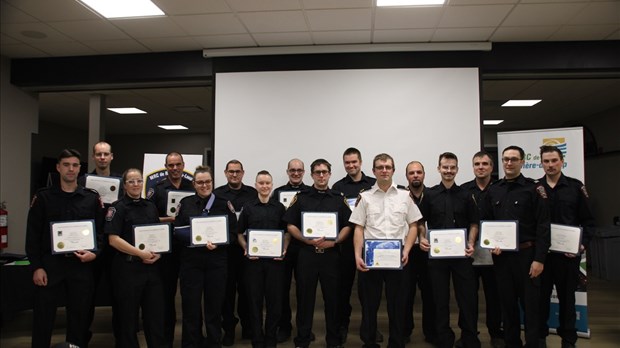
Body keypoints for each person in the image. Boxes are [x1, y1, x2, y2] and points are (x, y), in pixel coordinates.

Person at [26, 149, 104, 348]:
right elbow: (33, 235)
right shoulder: (43, 198)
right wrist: (36, 266)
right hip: (50, 266)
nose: (71, 169)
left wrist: (94, 253)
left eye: (75, 165)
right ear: (58, 167)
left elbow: (101, 233)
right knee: (43, 316)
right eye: (67, 165)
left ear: (80, 169)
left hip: (81, 265)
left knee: (79, 318)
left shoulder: (91, 198)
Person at [350, 153, 422, 348]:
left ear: (393, 170)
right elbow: (358, 228)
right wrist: (357, 255)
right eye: (380, 167)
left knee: (398, 306)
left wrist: (407, 250)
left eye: (387, 167)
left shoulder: (404, 195)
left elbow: (414, 226)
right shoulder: (364, 197)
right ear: (373, 171)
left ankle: (396, 343)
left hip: (399, 259)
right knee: (369, 306)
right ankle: (369, 342)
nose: (384, 170)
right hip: (370, 261)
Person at [482, 145, 550, 348]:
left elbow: (543, 226)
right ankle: (512, 343)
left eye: (513, 159)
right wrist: (490, 244)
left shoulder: (534, 188)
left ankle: (532, 343)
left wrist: (539, 259)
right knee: (507, 304)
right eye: (505, 159)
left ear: (522, 161)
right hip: (502, 257)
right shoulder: (494, 189)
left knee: (531, 306)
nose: (509, 163)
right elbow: (487, 221)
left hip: (528, 255)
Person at [283, 158, 352, 348]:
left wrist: (335, 241)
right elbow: (290, 225)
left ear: (329, 174)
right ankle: (302, 340)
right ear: (312, 175)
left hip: (331, 256)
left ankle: (333, 340)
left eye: (324, 172)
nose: (321, 175)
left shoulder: (339, 198)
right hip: (307, 255)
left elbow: (348, 225)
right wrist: (305, 239)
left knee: (333, 300)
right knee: (305, 300)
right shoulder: (301, 197)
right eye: (317, 172)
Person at [418, 152, 480, 348]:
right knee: (439, 299)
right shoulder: (429, 194)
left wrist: (470, 243)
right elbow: (420, 221)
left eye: (452, 167)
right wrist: (421, 237)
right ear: (438, 169)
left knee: (467, 298)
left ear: (457, 170)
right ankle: (443, 337)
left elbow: (474, 223)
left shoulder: (466, 194)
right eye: (445, 167)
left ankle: (469, 337)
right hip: (437, 257)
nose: (448, 171)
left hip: (462, 256)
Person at [174, 165, 237, 348]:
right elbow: (177, 231)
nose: (204, 186)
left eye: (207, 182)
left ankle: (213, 342)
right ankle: (191, 343)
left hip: (216, 260)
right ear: (194, 184)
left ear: (212, 182)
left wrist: (219, 242)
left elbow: (233, 233)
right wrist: (194, 237)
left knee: (214, 306)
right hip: (191, 261)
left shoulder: (224, 203)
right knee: (191, 305)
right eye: (200, 182)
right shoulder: (185, 204)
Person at [538, 145, 595, 348]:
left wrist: (581, 246)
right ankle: (540, 338)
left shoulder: (575, 187)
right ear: (541, 163)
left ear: (562, 161)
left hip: (568, 256)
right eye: (546, 161)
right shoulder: (536, 188)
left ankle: (568, 341)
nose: (550, 165)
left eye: (554, 160)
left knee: (567, 301)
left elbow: (588, 222)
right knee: (540, 300)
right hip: (542, 257)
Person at [105, 168, 167, 348]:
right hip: (127, 269)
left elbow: (158, 235)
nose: (136, 184)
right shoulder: (117, 208)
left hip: (151, 269)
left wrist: (158, 254)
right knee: (127, 319)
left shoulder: (150, 206)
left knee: (155, 317)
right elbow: (113, 239)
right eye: (131, 181)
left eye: (139, 181)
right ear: (124, 185)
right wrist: (140, 253)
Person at [147, 152, 194, 347]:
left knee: (189, 294)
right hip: (165, 248)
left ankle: (190, 339)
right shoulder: (157, 190)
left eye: (178, 165)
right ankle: (165, 339)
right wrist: (170, 219)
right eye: (171, 165)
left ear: (183, 165)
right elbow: (148, 217)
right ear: (166, 167)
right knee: (166, 296)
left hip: (187, 249)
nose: (174, 168)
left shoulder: (192, 187)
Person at [331, 147, 377, 344]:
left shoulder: (373, 184)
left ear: (360, 162)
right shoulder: (337, 186)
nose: (351, 165)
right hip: (345, 247)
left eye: (354, 162)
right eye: (347, 163)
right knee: (343, 289)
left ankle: (370, 329)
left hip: (369, 244)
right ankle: (342, 325)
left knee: (369, 292)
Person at [237, 170, 289, 348]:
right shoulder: (248, 207)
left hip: (275, 264)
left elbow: (287, 233)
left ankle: (270, 337)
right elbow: (239, 234)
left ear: (272, 185)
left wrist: (284, 249)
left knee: (275, 301)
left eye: (268, 183)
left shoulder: (279, 208)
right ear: (256, 185)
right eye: (261, 183)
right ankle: (257, 338)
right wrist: (246, 248)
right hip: (253, 263)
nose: (265, 186)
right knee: (254, 301)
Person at [460, 151, 504, 347]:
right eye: (477, 163)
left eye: (485, 164)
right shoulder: (464, 190)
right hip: (470, 252)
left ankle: (495, 333)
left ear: (491, 167)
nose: (481, 167)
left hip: (494, 252)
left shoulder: (501, 189)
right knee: (468, 295)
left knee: (494, 295)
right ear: (473, 167)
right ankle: (469, 334)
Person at [214, 159, 258, 345]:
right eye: (231, 171)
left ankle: (248, 327)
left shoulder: (253, 193)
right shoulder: (217, 194)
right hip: (226, 252)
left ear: (243, 172)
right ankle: (229, 329)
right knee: (227, 292)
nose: (234, 174)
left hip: (248, 250)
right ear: (225, 173)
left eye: (237, 171)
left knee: (248, 291)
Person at [272, 159, 309, 343]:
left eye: (299, 170)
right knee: (282, 289)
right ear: (287, 171)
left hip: (304, 248)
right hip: (282, 248)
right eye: (292, 170)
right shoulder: (278, 193)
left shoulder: (310, 193)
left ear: (304, 172)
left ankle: (304, 328)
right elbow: (272, 218)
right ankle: (284, 326)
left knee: (304, 290)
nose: (295, 173)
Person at [402, 161, 437, 344]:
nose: (415, 175)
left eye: (418, 172)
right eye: (411, 173)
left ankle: (430, 332)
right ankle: (405, 331)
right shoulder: (400, 195)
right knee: (405, 293)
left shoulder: (433, 195)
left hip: (428, 252)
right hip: (406, 251)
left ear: (424, 174)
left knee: (429, 294)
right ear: (406, 176)